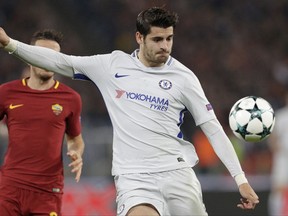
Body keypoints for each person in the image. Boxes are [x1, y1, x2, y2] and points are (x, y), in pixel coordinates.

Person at [0, 7, 258, 216]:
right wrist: (10, 43)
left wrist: (240, 178)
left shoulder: (183, 78)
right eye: (157, 39)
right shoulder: (112, 65)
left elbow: (212, 127)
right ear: (139, 37)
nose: (165, 46)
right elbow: (60, 61)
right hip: (133, 177)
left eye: (169, 39)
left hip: (177, 172)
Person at [0, 29, 85, 216]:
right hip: (10, 187)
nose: (47, 61)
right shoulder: (6, 93)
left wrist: (76, 153)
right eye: (40, 55)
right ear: (29, 56)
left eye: (53, 56)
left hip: (48, 192)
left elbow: (75, 139)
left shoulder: (71, 98)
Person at [268, 88, 288, 216]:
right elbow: (272, 137)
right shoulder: (281, 116)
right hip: (283, 158)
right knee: (279, 189)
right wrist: (277, 149)